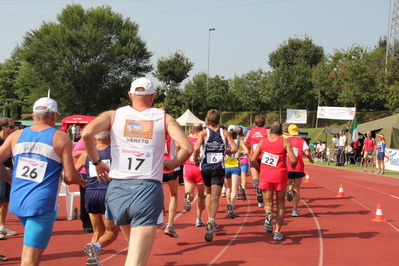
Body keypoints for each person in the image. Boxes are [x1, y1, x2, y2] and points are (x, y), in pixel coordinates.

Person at [81, 77, 193, 266]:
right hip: (146, 190)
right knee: (135, 260)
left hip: (117, 190)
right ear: (153, 96)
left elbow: (86, 134)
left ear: (130, 95)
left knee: (134, 249)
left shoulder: (113, 115)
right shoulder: (163, 117)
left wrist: (97, 162)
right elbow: (187, 148)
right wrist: (173, 164)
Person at [0, 97, 86, 266]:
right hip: (42, 204)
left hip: (19, 201)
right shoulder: (61, 137)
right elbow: (69, 178)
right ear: (54, 116)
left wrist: (11, 180)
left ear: (33, 115)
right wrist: (86, 184)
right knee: (30, 259)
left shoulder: (16, 135)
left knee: (31, 253)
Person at [75, 131, 120, 266]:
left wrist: (84, 183)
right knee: (111, 232)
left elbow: (69, 176)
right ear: (108, 137)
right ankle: (96, 247)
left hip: (91, 193)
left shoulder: (86, 154)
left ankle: (92, 257)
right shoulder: (115, 153)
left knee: (97, 230)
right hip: (109, 193)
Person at [193, 109, 237, 242]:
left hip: (205, 168)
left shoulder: (203, 133)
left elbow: (195, 148)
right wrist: (226, 152)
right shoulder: (225, 133)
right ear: (219, 120)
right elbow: (235, 149)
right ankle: (211, 221)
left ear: (207, 120)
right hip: (218, 169)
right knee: (215, 197)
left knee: (208, 194)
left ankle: (208, 220)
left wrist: (196, 159)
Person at [251, 121, 297, 241]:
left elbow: (253, 158)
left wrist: (259, 169)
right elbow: (293, 159)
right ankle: (277, 232)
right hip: (280, 176)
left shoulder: (263, 141)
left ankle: (268, 214)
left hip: (266, 176)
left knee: (267, 203)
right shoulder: (285, 141)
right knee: (281, 203)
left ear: (270, 131)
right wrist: (293, 165)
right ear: (282, 132)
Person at [161, 107, 182, 238]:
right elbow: (180, 145)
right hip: (172, 165)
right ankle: (170, 224)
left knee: (155, 195)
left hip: (157, 166)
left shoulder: (153, 127)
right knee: (173, 195)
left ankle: (152, 221)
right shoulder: (173, 127)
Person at [286, 124, 314, 217]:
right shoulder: (302, 141)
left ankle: (289, 189)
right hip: (298, 167)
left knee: (288, 184)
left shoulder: (286, 141)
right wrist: (310, 159)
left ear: (289, 131)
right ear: (297, 131)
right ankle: (294, 210)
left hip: (287, 166)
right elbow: (307, 152)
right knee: (297, 189)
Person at [243, 114, 270, 207]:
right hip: (264, 157)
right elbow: (271, 141)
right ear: (264, 122)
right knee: (263, 177)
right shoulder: (267, 131)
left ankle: (257, 190)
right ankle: (262, 195)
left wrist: (249, 147)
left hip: (253, 157)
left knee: (255, 178)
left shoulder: (250, 131)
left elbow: (244, 142)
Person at [182, 123, 206, 227]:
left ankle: (188, 198)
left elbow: (180, 149)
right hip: (200, 168)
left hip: (188, 167)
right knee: (201, 195)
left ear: (192, 130)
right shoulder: (204, 139)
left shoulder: (187, 139)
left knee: (189, 192)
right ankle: (198, 219)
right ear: (201, 130)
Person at [224, 128, 249, 219]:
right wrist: (240, 154)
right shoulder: (240, 141)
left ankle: (228, 205)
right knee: (234, 189)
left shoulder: (225, 142)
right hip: (236, 167)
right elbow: (247, 152)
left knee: (228, 188)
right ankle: (232, 205)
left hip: (226, 167)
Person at [0, 117, 17, 239]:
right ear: (4, 128)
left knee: (5, 201)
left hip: (9, 173)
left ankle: (2, 226)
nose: (13, 129)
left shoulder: (11, 141)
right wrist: (3, 168)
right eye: (11, 127)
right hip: (1, 173)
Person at [73, 138, 93, 233]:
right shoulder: (85, 139)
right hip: (86, 172)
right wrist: (92, 151)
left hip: (104, 172)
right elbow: (75, 153)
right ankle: (87, 223)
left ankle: (103, 222)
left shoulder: (110, 138)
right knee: (86, 199)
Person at [236, 126, 248, 201]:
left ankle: (236, 192)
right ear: (242, 133)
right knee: (244, 176)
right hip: (244, 160)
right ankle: (243, 188)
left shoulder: (232, 140)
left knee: (236, 177)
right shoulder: (244, 140)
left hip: (236, 161)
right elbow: (248, 150)